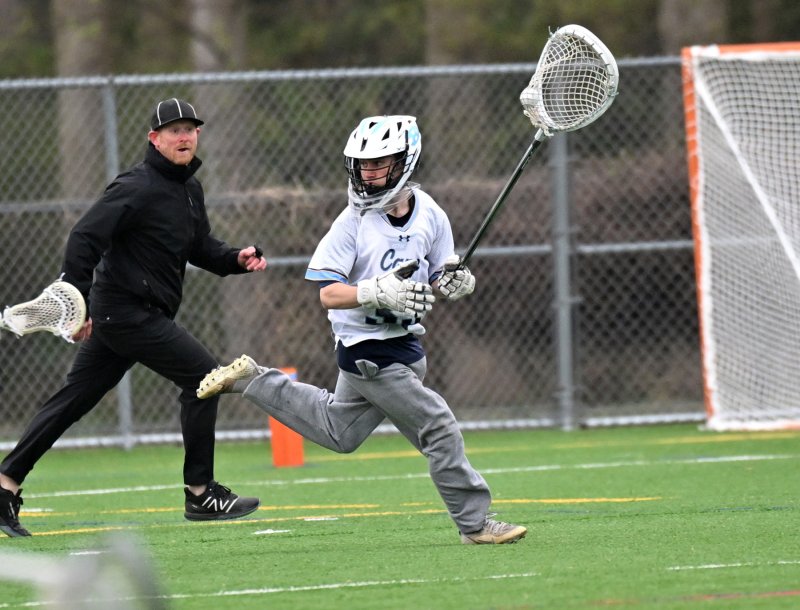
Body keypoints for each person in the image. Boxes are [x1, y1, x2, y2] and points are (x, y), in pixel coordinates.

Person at [197, 115, 527, 545]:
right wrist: (375, 292)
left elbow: (438, 274)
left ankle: (255, 381)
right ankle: (475, 524)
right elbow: (327, 293)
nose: (369, 173)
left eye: (380, 163)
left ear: (406, 160)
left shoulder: (431, 214)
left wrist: (453, 280)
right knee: (439, 428)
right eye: (362, 164)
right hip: (369, 352)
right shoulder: (352, 221)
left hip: (406, 346)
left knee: (340, 431)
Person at [0, 98, 266, 537]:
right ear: (154, 138)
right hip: (125, 313)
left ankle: (5, 483)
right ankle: (201, 494)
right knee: (205, 378)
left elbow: (198, 247)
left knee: (72, 401)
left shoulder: (188, 189)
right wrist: (76, 297)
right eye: (173, 130)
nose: (183, 136)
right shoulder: (136, 186)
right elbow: (85, 235)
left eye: (190, 129)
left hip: (127, 316)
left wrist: (235, 258)